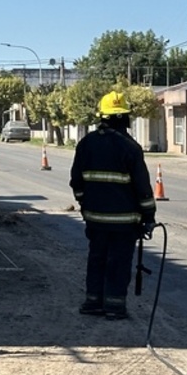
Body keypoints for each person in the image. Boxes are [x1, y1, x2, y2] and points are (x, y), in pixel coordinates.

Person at [69, 91, 156, 320]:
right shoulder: (131, 148)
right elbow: (143, 189)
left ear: (102, 116)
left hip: (95, 218)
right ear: (125, 118)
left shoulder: (86, 144)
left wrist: (84, 203)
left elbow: (76, 181)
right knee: (118, 262)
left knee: (96, 258)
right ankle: (115, 307)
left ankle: (93, 302)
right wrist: (149, 216)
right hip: (124, 222)